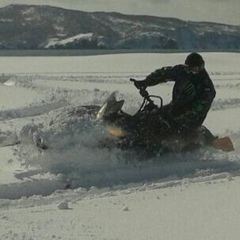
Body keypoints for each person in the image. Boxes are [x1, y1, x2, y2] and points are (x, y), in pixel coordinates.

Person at [133, 52, 216, 137]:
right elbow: (164, 73)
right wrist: (146, 82)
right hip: (175, 107)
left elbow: (198, 110)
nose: (191, 71)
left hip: (189, 122)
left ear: (201, 67)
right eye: (189, 68)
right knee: (150, 115)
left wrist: (180, 119)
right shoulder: (182, 71)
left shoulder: (207, 88)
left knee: (162, 130)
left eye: (194, 69)